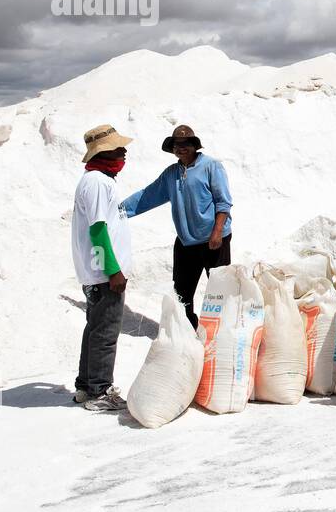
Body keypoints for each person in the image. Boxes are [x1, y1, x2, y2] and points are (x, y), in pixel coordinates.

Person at [121, 125, 233, 329]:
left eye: (185, 144)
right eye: (176, 145)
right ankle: (189, 331)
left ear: (194, 146)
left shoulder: (211, 166)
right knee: (182, 292)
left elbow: (223, 202)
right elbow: (148, 195)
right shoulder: (171, 173)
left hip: (214, 239)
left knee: (220, 290)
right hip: (186, 241)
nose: (180, 148)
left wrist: (217, 232)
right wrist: (119, 211)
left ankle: (222, 333)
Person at [72, 124, 135, 412]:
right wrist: (113, 270)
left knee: (95, 328)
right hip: (103, 273)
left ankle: (86, 386)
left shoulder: (97, 180)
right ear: (105, 151)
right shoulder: (98, 182)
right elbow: (98, 230)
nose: (124, 152)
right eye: (119, 148)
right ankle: (99, 391)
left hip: (96, 271)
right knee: (106, 332)